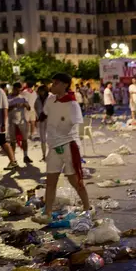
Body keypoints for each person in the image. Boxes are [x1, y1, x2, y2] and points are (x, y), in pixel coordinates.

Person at [32, 73, 92, 224]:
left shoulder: (72, 104)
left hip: (68, 145)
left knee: (75, 180)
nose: (52, 86)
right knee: (51, 181)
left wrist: (61, 126)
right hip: (53, 146)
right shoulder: (50, 100)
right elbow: (44, 114)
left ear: (65, 85)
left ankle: (87, 208)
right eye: (52, 82)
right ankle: (47, 213)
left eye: (56, 83)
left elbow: (74, 123)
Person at [7, 83, 33, 164]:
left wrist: (25, 105)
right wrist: (14, 105)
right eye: (17, 89)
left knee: (24, 139)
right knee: (12, 141)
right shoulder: (8, 97)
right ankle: (13, 159)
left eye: (20, 89)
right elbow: (5, 109)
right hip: (11, 121)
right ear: (14, 88)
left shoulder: (23, 97)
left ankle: (25, 156)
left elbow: (29, 108)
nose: (18, 91)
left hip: (22, 121)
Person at [34, 85, 50, 161]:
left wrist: (47, 115)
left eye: (41, 91)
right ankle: (44, 155)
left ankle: (50, 155)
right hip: (41, 120)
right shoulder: (38, 99)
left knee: (50, 138)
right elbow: (35, 107)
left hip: (50, 120)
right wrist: (38, 115)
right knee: (42, 139)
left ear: (45, 91)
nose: (39, 92)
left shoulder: (50, 97)